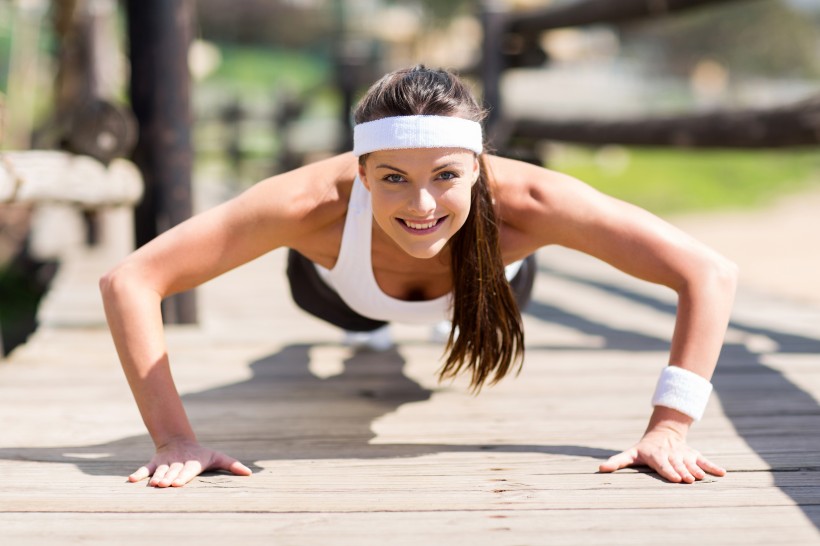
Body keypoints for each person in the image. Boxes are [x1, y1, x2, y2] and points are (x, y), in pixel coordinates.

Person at [100, 65, 737, 488]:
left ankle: (409, 328)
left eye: (446, 176)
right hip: (341, 294)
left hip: (484, 291)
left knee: (417, 362)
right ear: (362, 171)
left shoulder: (533, 202)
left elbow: (706, 273)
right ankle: (363, 336)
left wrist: (670, 426)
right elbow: (130, 280)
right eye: (394, 179)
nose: (422, 205)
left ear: (479, 168)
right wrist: (174, 440)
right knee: (359, 338)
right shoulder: (308, 202)